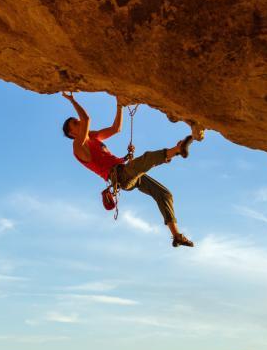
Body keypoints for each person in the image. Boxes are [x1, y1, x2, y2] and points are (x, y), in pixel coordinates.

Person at [61, 92, 199, 247]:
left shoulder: (92, 137)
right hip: (119, 176)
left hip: (124, 171)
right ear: (72, 133)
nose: (79, 120)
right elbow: (87, 119)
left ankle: (177, 236)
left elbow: (116, 128)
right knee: (146, 159)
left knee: (164, 194)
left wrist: (120, 104)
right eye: (75, 122)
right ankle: (177, 149)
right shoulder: (78, 147)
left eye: (76, 119)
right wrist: (72, 100)